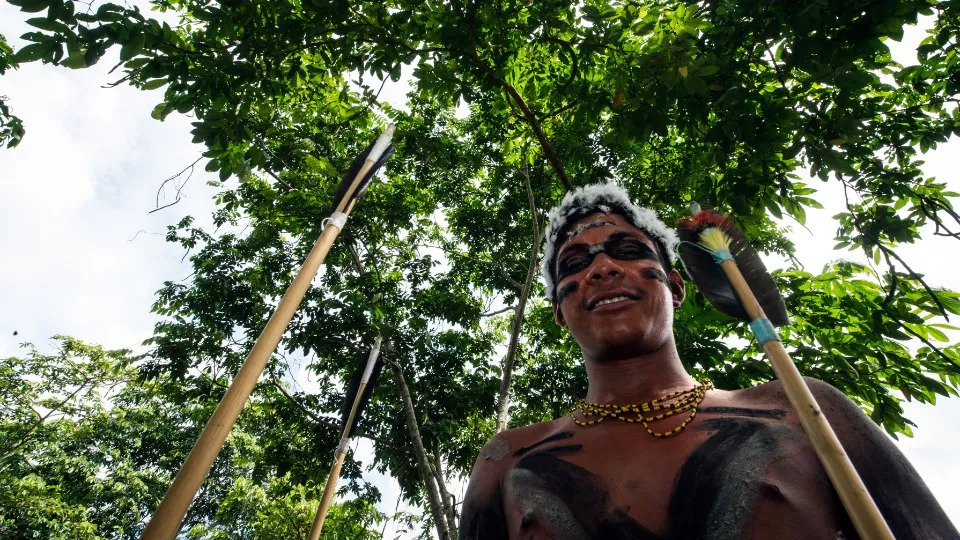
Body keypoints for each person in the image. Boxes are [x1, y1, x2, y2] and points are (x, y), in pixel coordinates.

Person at [458, 183, 957, 539]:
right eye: (575, 263)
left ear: (675, 287)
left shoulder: (802, 409)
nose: (603, 268)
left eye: (627, 251)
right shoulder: (507, 460)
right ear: (559, 312)